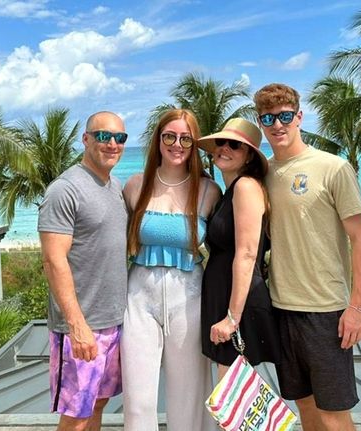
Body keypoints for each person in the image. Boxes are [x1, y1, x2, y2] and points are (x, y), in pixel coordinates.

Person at [254, 83, 361, 431]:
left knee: (334, 414)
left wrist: (357, 307)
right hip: (281, 308)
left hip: (326, 311)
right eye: (268, 118)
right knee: (304, 404)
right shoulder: (263, 173)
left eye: (285, 116)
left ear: (299, 117)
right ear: (260, 122)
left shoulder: (332, 168)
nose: (278, 125)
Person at [120, 109, 220, 431]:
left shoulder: (208, 191)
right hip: (138, 298)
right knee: (138, 399)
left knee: (187, 398)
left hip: (189, 299)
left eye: (186, 138)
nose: (177, 144)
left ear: (193, 144)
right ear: (158, 140)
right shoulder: (135, 187)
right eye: (169, 136)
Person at [38, 111, 129, 431]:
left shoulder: (115, 186)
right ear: (86, 139)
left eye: (120, 138)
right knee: (76, 413)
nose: (113, 144)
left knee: (99, 402)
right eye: (104, 136)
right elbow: (53, 261)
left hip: (112, 321)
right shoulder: (65, 189)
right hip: (81, 324)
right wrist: (77, 325)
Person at [197, 118, 281, 379]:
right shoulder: (229, 191)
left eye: (235, 145)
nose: (225, 148)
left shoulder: (245, 187)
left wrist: (232, 318)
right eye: (221, 142)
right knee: (230, 396)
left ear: (248, 157)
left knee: (232, 398)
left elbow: (246, 254)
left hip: (236, 301)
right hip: (226, 295)